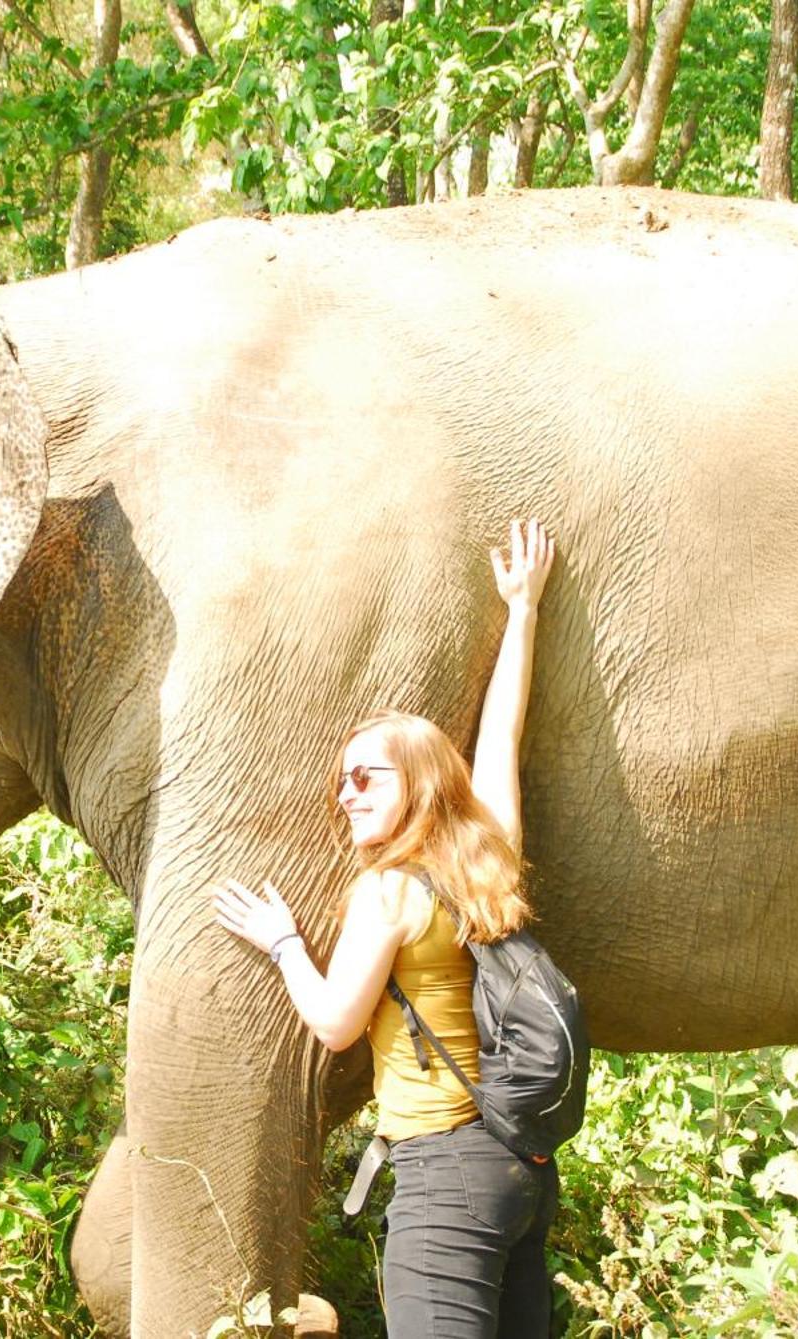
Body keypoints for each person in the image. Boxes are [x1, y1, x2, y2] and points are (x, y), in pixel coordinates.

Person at [213, 519, 558, 1338]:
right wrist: (522, 611)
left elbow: (336, 1023)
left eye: (366, 776)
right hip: (523, 1169)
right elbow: (501, 734)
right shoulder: (489, 858)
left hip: (445, 1173)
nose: (346, 792)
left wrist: (284, 942)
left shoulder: (390, 892)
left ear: (420, 783)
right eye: (342, 779)